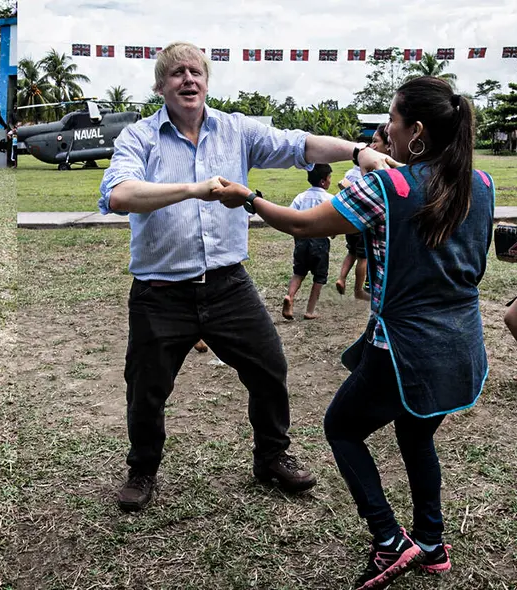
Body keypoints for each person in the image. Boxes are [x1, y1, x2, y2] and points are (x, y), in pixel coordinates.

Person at [213, 77, 488, 590]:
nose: (386, 129)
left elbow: (300, 224)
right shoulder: (483, 184)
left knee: (342, 428)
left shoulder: (384, 189)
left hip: (402, 349)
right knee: (416, 434)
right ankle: (432, 542)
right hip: (462, 346)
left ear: (418, 131)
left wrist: (248, 197)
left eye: (392, 121)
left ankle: (389, 539)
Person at [98, 41, 390, 512]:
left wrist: (358, 150)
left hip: (227, 283)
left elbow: (300, 144)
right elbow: (119, 194)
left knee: (269, 368)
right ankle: (143, 469)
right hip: (160, 290)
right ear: (160, 86)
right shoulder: (139, 137)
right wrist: (194, 189)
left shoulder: (236, 130)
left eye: (196, 72)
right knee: (146, 389)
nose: (188, 79)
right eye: (176, 73)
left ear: (207, 82)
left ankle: (271, 456)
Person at [336, 123, 390, 299]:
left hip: (355, 225)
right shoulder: (373, 173)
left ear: (389, 144)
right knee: (363, 257)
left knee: (355, 254)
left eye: (375, 142)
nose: (371, 147)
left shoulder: (385, 177)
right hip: (362, 226)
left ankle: (350, 282)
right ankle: (361, 289)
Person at [282, 164, 334, 320]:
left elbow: (291, 217)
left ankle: (289, 297)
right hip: (320, 242)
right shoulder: (329, 199)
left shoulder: (300, 197)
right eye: (329, 177)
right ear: (324, 181)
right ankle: (310, 310)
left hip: (301, 241)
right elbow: (333, 222)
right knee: (319, 277)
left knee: (298, 272)